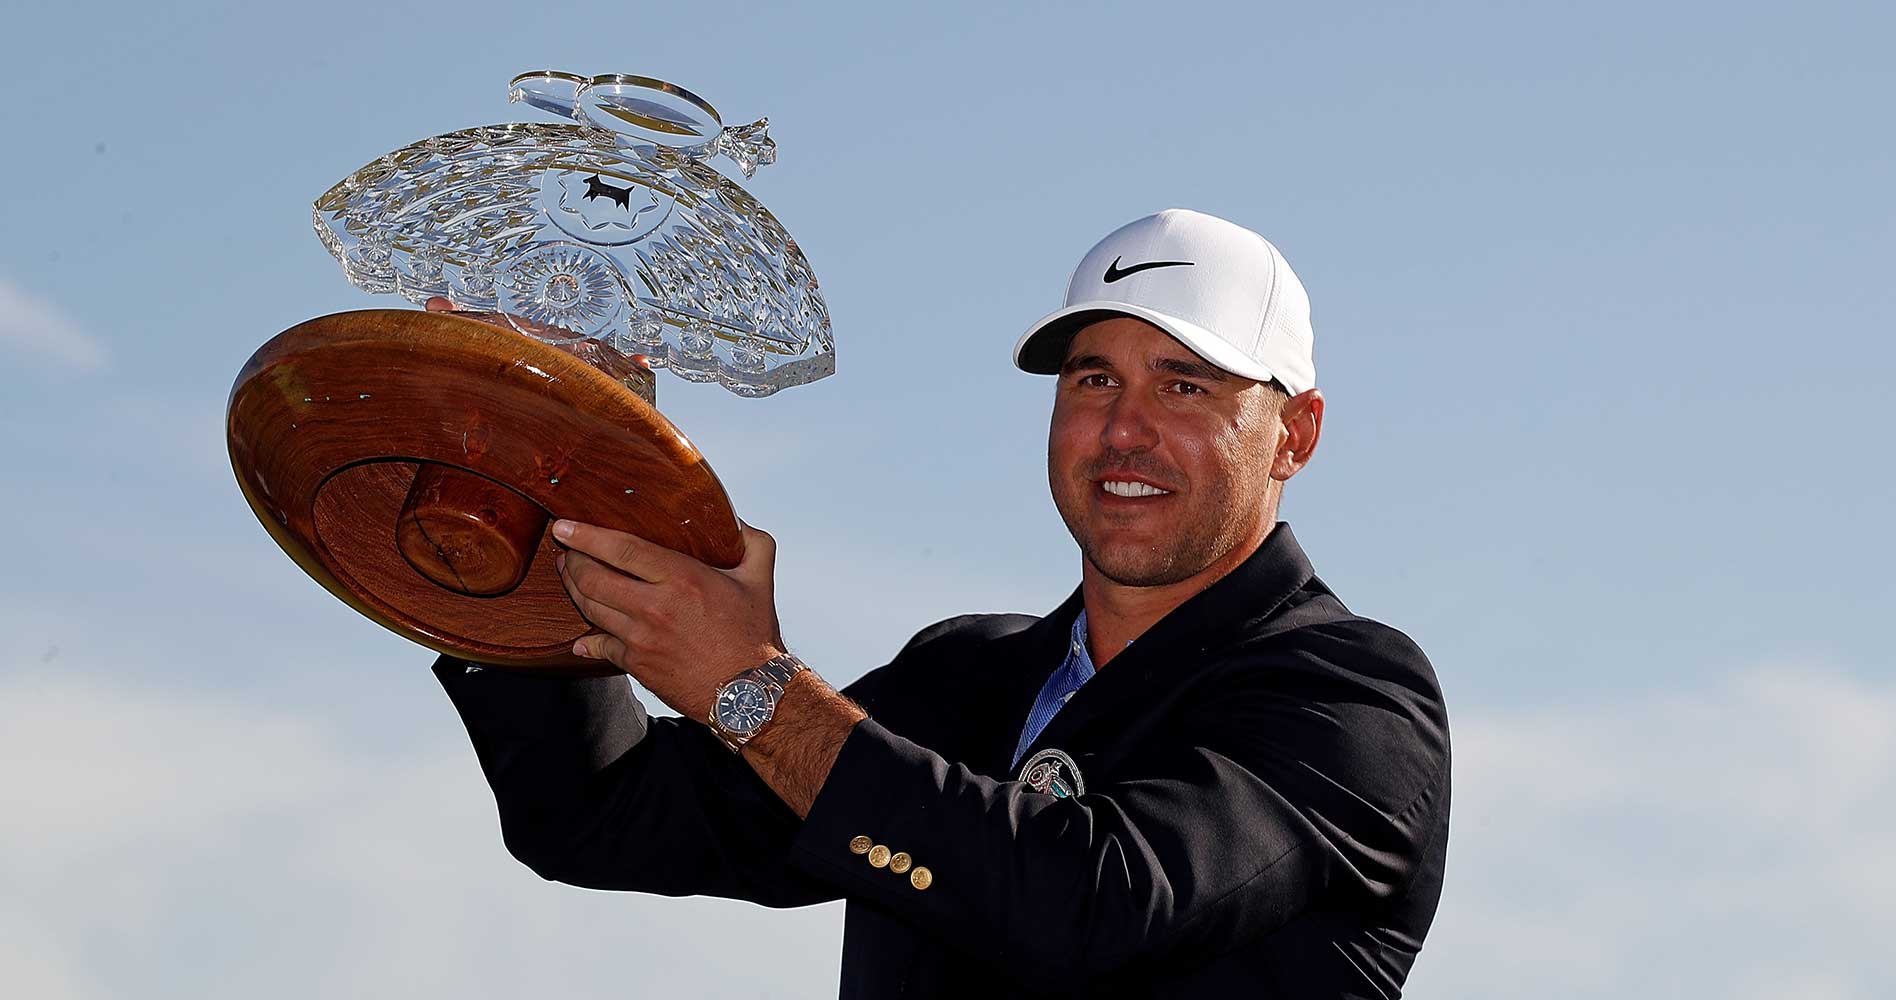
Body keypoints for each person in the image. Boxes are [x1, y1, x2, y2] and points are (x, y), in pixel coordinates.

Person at [435, 208, 1451, 998]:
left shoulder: (1353, 695)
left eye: (1186, 387)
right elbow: (601, 818)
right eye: (1094, 379)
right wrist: (537, 504)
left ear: (1296, 434)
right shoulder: (962, 676)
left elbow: (1086, 906)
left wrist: (753, 686)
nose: (1124, 429)